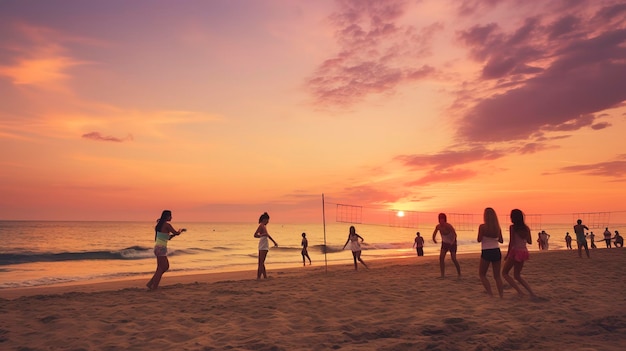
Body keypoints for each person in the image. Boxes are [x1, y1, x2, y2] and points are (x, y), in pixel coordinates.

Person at [146, 210, 186, 291]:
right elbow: (176, 233)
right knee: (162, 268)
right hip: (161, 248)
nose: (171, 217)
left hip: (158, 247)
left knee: (162, 267)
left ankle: (150, 283)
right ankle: (154, 287)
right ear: (166, 216)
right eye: (170, 216)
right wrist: (180, 231)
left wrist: (175, 235)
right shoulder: (167, 225)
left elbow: (168, 238)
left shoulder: (159, 225)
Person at [502, 209, 535, 297]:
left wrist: (508, 254)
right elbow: (530, 241)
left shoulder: (512, 227)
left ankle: (519, 291)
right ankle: (531, 292)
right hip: (523, 252)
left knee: (504, 273)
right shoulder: (526, 228)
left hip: (515, 252)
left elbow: (511, 242)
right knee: (517, 275)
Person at [477, 207, 504, 298]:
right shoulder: (497, 228)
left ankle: (490, 294)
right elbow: (501, 240)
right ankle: (501, 295)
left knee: (482, 274)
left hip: (486, 251)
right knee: (497, 276)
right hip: (496, 250)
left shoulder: (482, 227)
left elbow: (479, 239)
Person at [432, 213, 461, 278]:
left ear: (444, 219)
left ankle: (459, 273)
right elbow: (434, 233)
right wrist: (433, 239)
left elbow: (455, 235)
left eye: (442, 219)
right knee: (441, 258)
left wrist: (452, 242)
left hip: (452, 243)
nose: (441, 220)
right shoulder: (438, 226)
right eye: (440, 219)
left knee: (453, 258)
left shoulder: (448, 226)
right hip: (444, 243)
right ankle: (442, 275)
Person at [254, 212, 278, 280]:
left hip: (264, 245)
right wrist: (262, 235)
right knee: (261, 262)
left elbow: (267, 235)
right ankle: (263, 276)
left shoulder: (263, 226)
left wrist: (274, 242)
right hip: (262, 244)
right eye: (268, 220)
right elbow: (255, 235)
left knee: (261, 262)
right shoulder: (261, 225)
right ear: (264, 219)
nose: (268, 222)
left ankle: (260, 277)